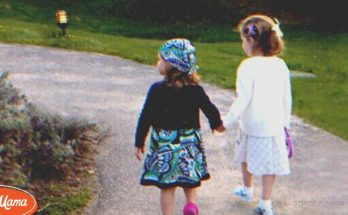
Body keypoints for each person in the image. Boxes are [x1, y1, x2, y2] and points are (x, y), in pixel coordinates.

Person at [135, 38, 225, 215]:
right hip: (188, 143)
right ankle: (191, 205)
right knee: (189, 177)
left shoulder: (157, 89)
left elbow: (146, 116)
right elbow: (210, 108)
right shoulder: (195, 90)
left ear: (171, 65)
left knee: (167, 186)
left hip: (165, 143)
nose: (158, 63)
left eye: (160, 60)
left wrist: (139, 141)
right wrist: (217, 124)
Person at [223, 14, 292, 215]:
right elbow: (286, 97)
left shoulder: (247, 66)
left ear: (251, 40)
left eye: (243, 40)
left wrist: (226, 122)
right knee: (269, 165)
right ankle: (266, 202)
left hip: (251, 124)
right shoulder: (280, 65)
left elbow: (242, 99)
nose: (242, 45)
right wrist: (285, 123)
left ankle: (247, 189)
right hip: (274, 125)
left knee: (246, 156)